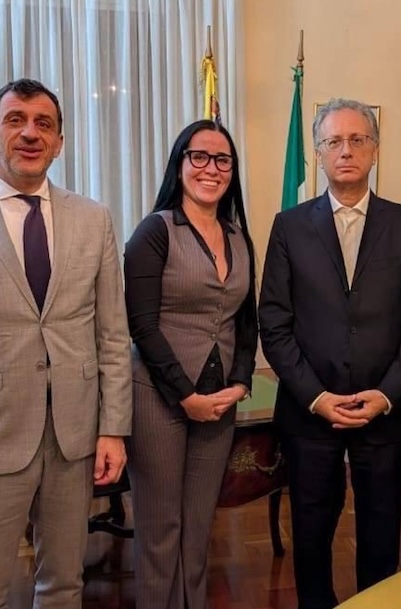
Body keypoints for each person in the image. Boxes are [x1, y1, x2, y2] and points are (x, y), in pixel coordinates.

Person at [0, 78, 132, 608]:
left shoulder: (93, 219)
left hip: (73, 440)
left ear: (59, 142)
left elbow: (112, 335)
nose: (30, 134)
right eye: (16, 121)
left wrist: (114, 429)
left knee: (63, 584)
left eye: (44, 124)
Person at [258, 98, 401, 609]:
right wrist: (315, 396)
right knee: (311, 532)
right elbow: (274, 321)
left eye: (358, 139)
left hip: (384, 410)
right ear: (317, 154)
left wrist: (387, 395)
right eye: (333, 141)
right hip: (309, 411)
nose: (346, 150)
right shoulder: (289, 226)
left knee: (382, 533)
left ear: (375, 150)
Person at [122, 119, 257, 609]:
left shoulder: (240, 239)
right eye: (198, 156)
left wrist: (240, 383)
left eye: (222, 159)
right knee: (161, 531)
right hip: (158, 398)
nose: (211, 168)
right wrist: (186, 395)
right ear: (180, 165)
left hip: (219, 402)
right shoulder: (154, 232)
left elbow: (247, 322)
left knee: (198, 529)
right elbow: (141, 326)